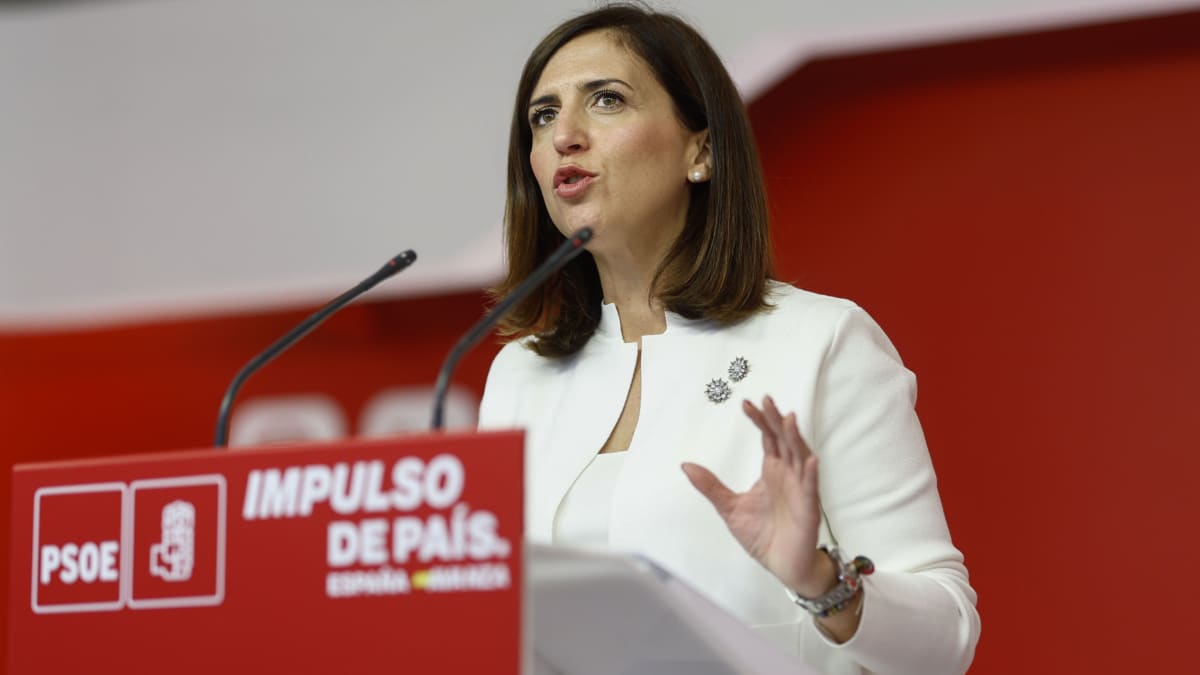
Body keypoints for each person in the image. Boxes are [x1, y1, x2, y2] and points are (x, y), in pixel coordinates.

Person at [478, 4, 980, 674]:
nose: (565, 134)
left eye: (605, 100)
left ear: (702, 151)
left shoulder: (821, 341)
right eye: (543, 116)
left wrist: (822, 579)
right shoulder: (519, 376)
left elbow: (948, 637)